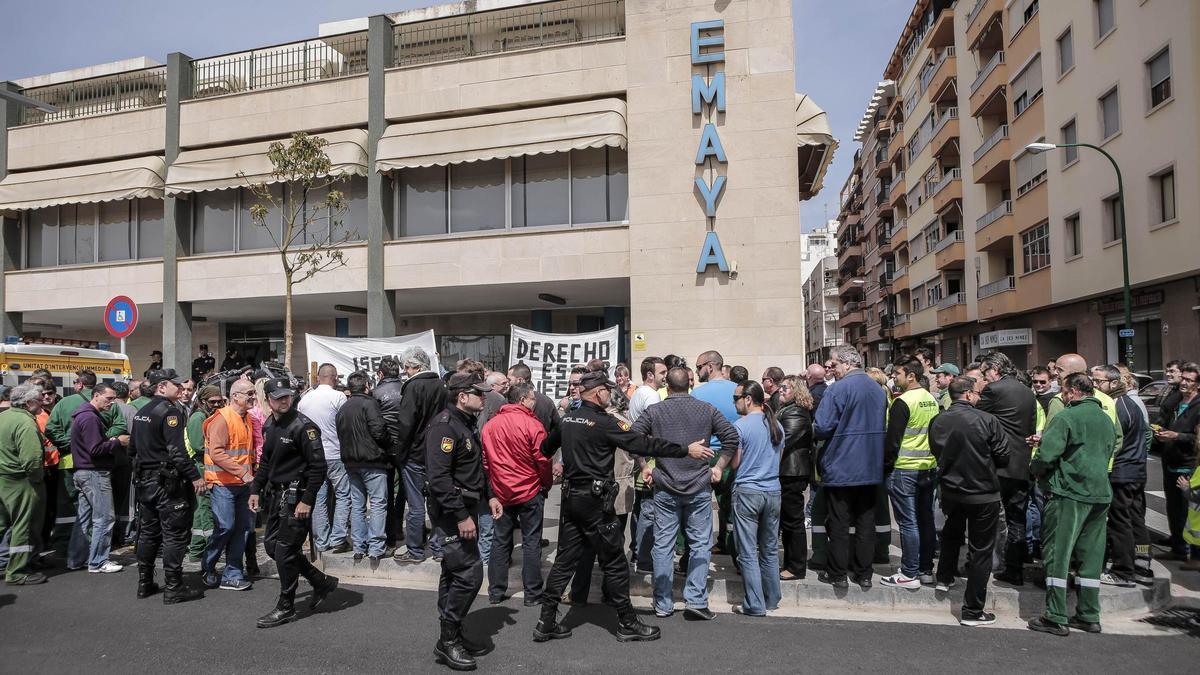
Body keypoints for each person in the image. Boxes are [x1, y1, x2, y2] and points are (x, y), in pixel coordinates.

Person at [534, 371, 714, 644]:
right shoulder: (605, 422)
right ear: (597, 393)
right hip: (595, 502)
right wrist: (685, 450)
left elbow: (546, 448)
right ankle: (627, 622)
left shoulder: (568, 418)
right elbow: (644, 443)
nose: (610, 393)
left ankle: (546, 621)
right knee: (615, 563)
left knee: (565, 560)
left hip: (572, 500)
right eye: (606, 390)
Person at [632, 366, 737, 620]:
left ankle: (664, 603)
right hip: (698, 486)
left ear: (667, 385)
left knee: (663, 545)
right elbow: (731, 437)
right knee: (700, 543)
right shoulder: (706, 409)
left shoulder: (655, 411)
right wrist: (719, 468)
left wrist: (645, 465)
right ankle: (696, 600)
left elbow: (632, 437)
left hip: (665, 485)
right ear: (688, 386)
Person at [424, 372, 504, 671]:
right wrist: (460, 517)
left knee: (454, 573)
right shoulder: (444, 427)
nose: (485, 398)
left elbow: (474, 469)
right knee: (470, 576)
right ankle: (448, 640)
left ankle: (451, 634)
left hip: (467, 506)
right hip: (451, 513)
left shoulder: (465, 423)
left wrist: (491, 495)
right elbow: (440, 478)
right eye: (479, 394)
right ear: (462, 396)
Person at [1027, 373, 1116, 636]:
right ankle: (1089, 614)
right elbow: (1111, 449)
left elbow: (1047, 456)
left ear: (1074, 392)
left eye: (1064, 392)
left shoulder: (1066, 417)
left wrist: (1036, 470)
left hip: (1068, 494)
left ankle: (1055, 615)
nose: (1063, 396)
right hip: (1099, 493)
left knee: (1058, 554)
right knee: (1091, 557)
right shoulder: (1105, 418)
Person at [250, 377, 339, 628]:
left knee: (285, 551)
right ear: (268, 400)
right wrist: (255, 488)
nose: (284, 401)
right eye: (278, 397)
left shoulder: (304, 427)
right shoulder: (270, 424)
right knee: (272, 547)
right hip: (277, 496)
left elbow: (318, 467)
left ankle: (286, 606)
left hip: (297, 496)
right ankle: (320, 581)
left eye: (287, 396)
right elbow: (266, 460)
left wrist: (307, 500)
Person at [929, 376, 1009, 626]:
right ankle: (973, 610)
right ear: (967, 394)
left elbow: (935, 450)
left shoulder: (939, 420)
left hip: (952, 489)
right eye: (976, 392)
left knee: (951, 533)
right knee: (981, 550)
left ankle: (944, 577)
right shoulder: (987, 420)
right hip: (982, 491)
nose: (978, 396)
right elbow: (1003, 455)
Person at [813, 345, 886, 590]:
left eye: (833, 364)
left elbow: (822, 426)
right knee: (866, 521)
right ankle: (864, 573)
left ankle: (837, 574)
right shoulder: (877, 389)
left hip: (842, 465)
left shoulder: (838, 390)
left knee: (839, 522)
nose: (831, 369)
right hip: (870, 465)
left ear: (846, 363)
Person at [132, 369, 205, 603]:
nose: (181, 388)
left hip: (145, 481)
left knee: (149, 533)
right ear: (161, 387)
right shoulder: (170, 412)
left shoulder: (141, 410)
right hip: (166, 482)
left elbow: (132, 449)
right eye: (176, 384)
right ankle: (174, 586)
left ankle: (144, 582)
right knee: (174, 534)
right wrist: (195, 476)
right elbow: (177, 451)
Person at [44, 368, 128, 559]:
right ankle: (95, 558)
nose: (111, 402)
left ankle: (69, 549)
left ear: (79, 384)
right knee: (100, 514)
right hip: (93, 464)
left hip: (71, 462)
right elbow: (118, 428)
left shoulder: (66, 403)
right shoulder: (94, 411)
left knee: (71, 509)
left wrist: (69, 444)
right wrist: (107, 440)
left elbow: (51, 429)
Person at [482, 382, 551, 606]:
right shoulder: (533, 425)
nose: (535, 402)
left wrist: (492, 489)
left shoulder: (491, 425)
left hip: (502, 491)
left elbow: (486, 463)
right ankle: (532, 593)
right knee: (531, 541)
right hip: (529, 490)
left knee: (501, 541)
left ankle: (496, 590)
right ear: (522, 400)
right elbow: (543, 460)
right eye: (532, 398)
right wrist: (545, 483)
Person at [975, 352, 1038, 587]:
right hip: (1021, 463)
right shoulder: (1027, 391)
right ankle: (1015, 568)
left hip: (997, 464)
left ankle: (982, 563)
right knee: (1017, 519)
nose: (984, 377)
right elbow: (1029, 428)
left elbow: (979, 419)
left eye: (985, 372)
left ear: (995, 369)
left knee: (986, 517)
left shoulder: (994, 390)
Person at [880, 357, 940, 589]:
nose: (894, 377)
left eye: (898, 373)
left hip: (904, 468)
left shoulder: (902, 402)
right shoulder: (930, 399)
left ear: (911, 376)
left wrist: (886, 467)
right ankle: (925, 569)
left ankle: (908, 572)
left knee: (907, 523)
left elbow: (892, 441)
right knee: (925, 519)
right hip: (927, 468)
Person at [1090, 365, 1153, 586]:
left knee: (1120, 522)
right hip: (1135, 471)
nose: (1095, 385)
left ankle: (1123, 570)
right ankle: (1142, 565)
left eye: (1099, 382)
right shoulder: (1130, 404)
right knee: (1136, 520)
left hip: (1123, 473)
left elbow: (1113, 442)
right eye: (1094, 381)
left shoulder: (1118, 406)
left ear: (1115, 384)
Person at [730, 380, 784, 616]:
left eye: (736, 398)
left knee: (748, 551)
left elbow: (735, 463)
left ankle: (754, 603)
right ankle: (772, 598)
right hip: (773, 490)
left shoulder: (740, 426)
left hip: (748, 490)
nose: (735, 403)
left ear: (748, 399)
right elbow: (778, 458)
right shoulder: (777, 425)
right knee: (770, 549)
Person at [66, 384, 130, 574]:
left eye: (113, 398)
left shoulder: (84, 415)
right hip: (94, 472)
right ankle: (98, 561)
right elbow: (95, 448)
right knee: (104, 517)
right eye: (108, 398)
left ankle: (76, 559)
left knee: (84, 519)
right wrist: (117, 442)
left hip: (84, 472)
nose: (112, 403)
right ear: (96, 396)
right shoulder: (90, 417)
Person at [200, 378, 257, 592]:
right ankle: (208, 566)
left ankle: (233, 573)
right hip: (223, 483)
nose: (253, 397)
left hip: (242, 484)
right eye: (249, 394)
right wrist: (244, 473)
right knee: (225, 527)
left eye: (253, 393)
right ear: (235, 396)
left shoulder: (247, 419)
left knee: (242, 529)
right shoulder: (222, 419)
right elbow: (217, 453)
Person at [393, 347, 448, 564]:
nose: (405, 371)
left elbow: (405, 423)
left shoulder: (413, 387)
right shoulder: (441, 386)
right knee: (436, 502)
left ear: (415, 366)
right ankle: (439, 548)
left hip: (415, 454)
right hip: (436, 453)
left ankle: (415, 550)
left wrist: (400, 452)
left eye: (407, 367)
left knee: (416, 506)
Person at [337, 371, 392, 562]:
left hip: (351, 462)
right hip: (372, 461)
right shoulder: (370, 404)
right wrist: (389, 446)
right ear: (367, 386)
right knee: (377, 504)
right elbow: (379, 431)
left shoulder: (343, 408)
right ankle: (376, 548)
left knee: (358, 505)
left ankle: (359, 546)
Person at [0, 384, 49, 585]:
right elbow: (32, 459)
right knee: (24, 525)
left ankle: (10, 564)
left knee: (3, 525)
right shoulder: (25, 423)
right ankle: (18, 572)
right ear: (28, 403)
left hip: (3, 477)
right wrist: (37, 478)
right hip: (21, 480)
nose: (42, 402)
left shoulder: (3, 417)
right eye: (39, 399)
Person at [298, 364, 349, 554]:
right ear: (335, 378)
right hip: (335, 454)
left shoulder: (305, 399)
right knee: (343, 495)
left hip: (313, 456)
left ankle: (321, 541)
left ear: (318, 378)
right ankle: (338, 538)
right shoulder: (339, 397)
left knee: (318, 498)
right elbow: (344, 425)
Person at [692, 350, 739, 555]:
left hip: (705, 455)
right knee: (729, 505)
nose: (697, 371)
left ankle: (695, 549)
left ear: (709, 367)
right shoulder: (738, 390)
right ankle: (729, 544)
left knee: (698, 505)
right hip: (733, 455)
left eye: (698, 367)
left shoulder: (697, 394)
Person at [1153, 362, 1200, 563]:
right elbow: (1163, 419)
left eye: (1189, 380)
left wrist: (1177, 436)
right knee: (1173, 507)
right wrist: (1158, 430)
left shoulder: (1198, 405)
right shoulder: (1174, 400)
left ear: (1197, 385)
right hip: (1169, 459)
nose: (1184, 383)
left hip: (1187, 463)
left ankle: (1187, 550)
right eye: (1183, 378)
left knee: (1186, 509)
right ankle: (1177, 545)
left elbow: (1195, 438)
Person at [777, 375, 814, 580]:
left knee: (793, 521)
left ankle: (796, 567)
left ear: (796, 391)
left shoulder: (796, 413)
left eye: (785, 388)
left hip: (792, 472)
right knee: (788, 521)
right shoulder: (789, 410)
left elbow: (783, 441)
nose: (781, 391)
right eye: (781, 387)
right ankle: (790, 564)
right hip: (788, 471)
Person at [372, 356, 406, 553]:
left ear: (381, 374)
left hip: (385, 447)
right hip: (405, 445)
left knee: (385, 493)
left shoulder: (376, 393)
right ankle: (401, 527)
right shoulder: (407, 389)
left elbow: (375, 424)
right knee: (406, 489)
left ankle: (391, 535)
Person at [186, 386, 223, 561]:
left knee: (202, 510)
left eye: (219, 401)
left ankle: (197, 550)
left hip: (208, 468)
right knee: (205, 509)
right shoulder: (198, 417)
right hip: (201, 468)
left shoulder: (209, 416)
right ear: (202, 402)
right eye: (212, 402)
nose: (216, 405)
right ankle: (206, 549)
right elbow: (198, 445)